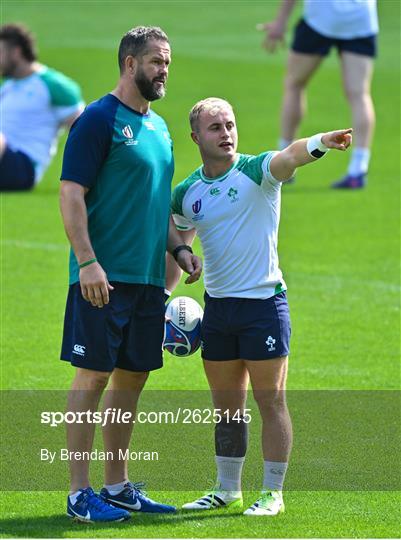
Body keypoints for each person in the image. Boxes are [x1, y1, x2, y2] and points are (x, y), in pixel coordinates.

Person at [169, 97, 351, 516]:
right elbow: (176, 228)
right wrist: (182, 255)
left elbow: (289, 157)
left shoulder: (256, 171)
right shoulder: (187, 192)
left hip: (264, 306)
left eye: (230, 124)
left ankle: (273, 493)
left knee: (271, 403)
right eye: (215, 127)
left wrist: (322, 142)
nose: (226, 133)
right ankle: (226, 488)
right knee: (227, 407)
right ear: (196, 137)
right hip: (218, 310)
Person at [59, 26, 202, 523]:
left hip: (145, 282)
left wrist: (178, 250)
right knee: (94, 375)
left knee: (132, 379)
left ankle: (117, 486)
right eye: (156, 62)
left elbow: (157, 206)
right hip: (102, 276)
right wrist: (87, 262)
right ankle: (79, 494)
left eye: (168, 62)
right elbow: (71, 193)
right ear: (129, 63)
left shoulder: (160, 129)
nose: (164, 71)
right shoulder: (97, 120)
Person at [257, 0, 377, 189]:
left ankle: (283, 162)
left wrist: (281, 21)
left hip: (321, 18)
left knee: (294, 84)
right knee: (360, 94)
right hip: (360, 19)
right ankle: (358, 170)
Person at [0, 23, 84, 191]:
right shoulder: (7, 87)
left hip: (23, 168)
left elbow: (85, 131)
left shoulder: (53, 85)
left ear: (16, 53)